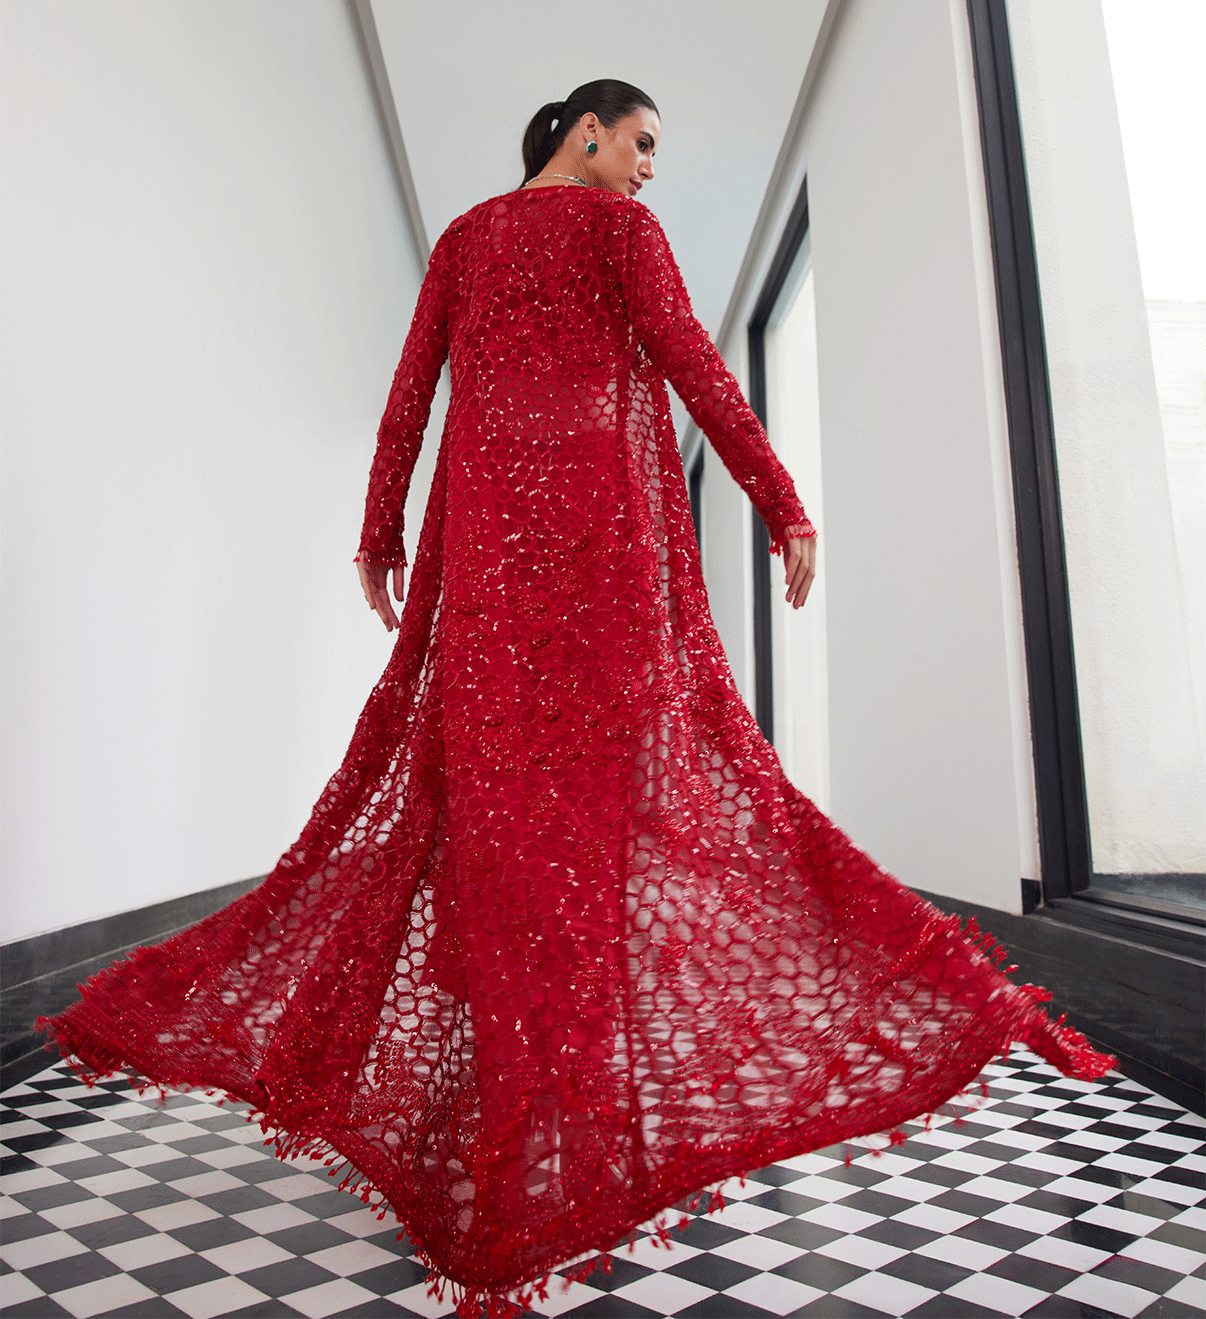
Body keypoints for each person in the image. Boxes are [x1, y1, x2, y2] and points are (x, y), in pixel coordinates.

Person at [41, 80, 1113, 1317]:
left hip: (501, 586)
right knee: (576, 837)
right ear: (584, 130)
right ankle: (550, 1133)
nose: (651, 170)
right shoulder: (616, 235)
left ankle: (529, 1128)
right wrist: (780, 497)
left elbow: (414, 399)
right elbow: (689, 368)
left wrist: (381, 528)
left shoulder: (468, 238)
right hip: (600, 582)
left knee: (501, 843)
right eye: (643, 143)